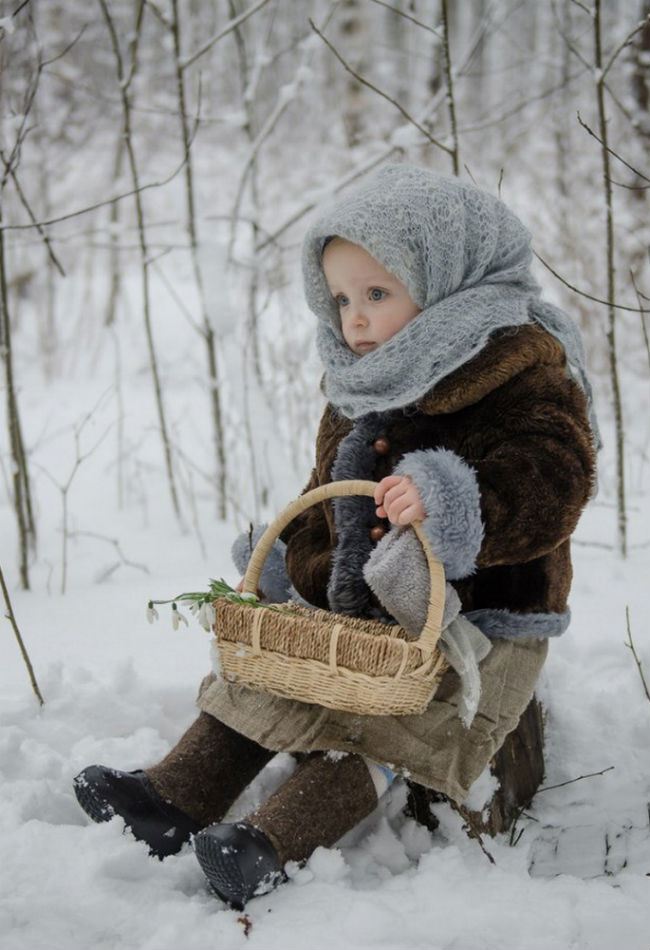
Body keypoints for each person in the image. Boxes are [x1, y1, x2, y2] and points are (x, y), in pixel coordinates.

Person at [73, 163, 600, 910]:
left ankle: (267, 845)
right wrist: (304, 565)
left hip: (480, 619)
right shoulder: (360, 385)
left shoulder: (517, 371)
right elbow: (327, 499)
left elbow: (555, 477)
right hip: (364, 611)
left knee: (401, 729)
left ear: (446, 280)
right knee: (272, 678)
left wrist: (454, 504)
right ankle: (171, 797)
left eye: (376, 295)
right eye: (342, 299)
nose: (354, 320)